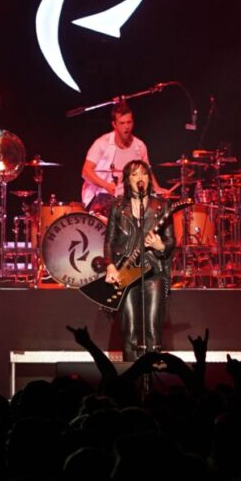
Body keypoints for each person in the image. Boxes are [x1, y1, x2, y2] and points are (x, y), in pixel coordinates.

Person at [104, 160, 176, 361]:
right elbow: (109, 241)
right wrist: (110, 266)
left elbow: (171, 241)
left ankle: (152, 383)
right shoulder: (118, 208)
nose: (140, 178)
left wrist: (160, 246)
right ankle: (132, 384)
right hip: (127, 274)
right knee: (130, 332)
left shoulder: (161, 206)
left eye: (144, 174)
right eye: (135, 174)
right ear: (128, 180)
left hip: (154, 271)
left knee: (153, 332)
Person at [80, 101, 151, 216]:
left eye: (129, 122)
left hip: (128, 201)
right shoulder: (102, 143)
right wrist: (106, 186)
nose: (126, 127)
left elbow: (147, 172)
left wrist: (158, 189)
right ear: (114, 124)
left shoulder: (139, 146)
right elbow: (86, 171)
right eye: (122, 123)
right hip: (101, 199)